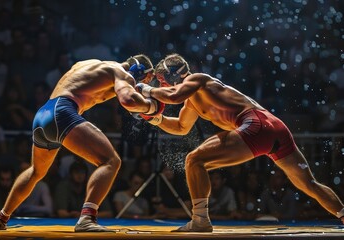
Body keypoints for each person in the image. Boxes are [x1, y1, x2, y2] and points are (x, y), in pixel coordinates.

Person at [135, 53, 344, 232]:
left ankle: (200, 220)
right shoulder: (191, 101)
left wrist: (144, 89)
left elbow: (173, 95)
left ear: (173, 76)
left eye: (162, 81)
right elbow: (181, 127)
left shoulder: (197, 79)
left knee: (194, 160)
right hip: (273, 127)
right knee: (309, 184)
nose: (160, 85)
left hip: (255, 124)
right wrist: (154, 118)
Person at [0, 54, 162, 232]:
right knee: (111, 161)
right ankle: (87, 218)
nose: (140, 84)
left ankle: (1, 218)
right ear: (138, 71)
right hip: (63, 112)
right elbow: (128, 100)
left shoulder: (91, 64)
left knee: (36, 171)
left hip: (43, 114)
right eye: (145, 79)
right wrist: (152, 107)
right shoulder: (121, 73)